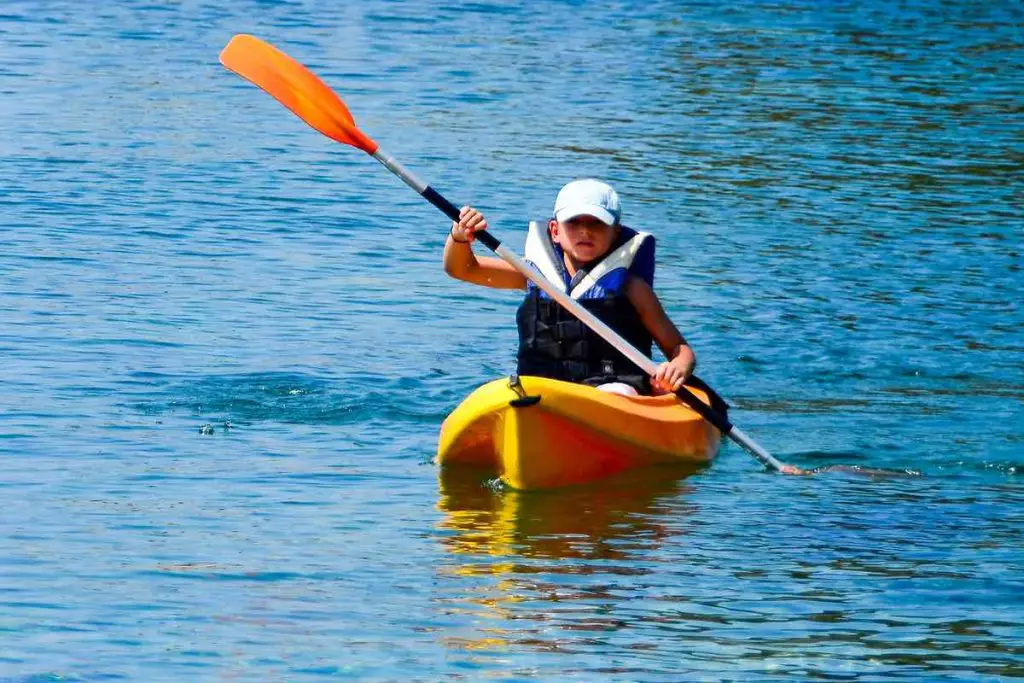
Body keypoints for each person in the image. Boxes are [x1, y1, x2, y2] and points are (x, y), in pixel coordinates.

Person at [442, 178, 695, 397]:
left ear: (615, 233)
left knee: (617, 392)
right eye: (573, 223)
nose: (585, 231)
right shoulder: (532, 275)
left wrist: (679, 365)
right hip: (544, 389)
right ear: (555, 231)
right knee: (511, 390)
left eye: (597, 224)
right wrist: (460, 237)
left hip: (614, 391)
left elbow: (678, 348)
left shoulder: (632, 288)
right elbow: (462, 268)